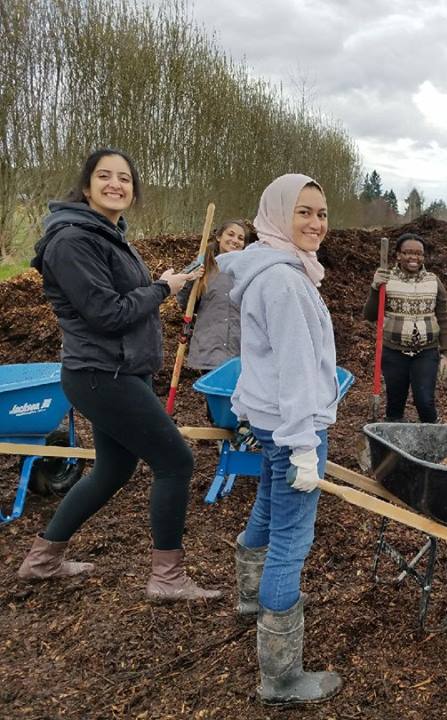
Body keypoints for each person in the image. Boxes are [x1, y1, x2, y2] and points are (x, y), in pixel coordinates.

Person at [17, 148, 220, 602]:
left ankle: (42, 559)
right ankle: (167, 578)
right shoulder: (73, 240)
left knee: (113, 468)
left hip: (119, 369)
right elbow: (106, 313)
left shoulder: (106, 235)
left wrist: (161, 285)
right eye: (104, 176)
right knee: (175, 462)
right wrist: (161, 289)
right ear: (86, 187)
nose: (116, 184)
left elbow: (121, 299)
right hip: (100, 373)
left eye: (124, 178)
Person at [217, 173, 342, 705]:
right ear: (278, 214)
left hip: (271, 421)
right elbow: (292, 369)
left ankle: (253, 597)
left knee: (269, 505)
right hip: (295, 426)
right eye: (304, 213)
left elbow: (259, 360)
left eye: (321, 214)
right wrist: (304, 445)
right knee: (292, 537)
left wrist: (252, 414)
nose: (316, 224)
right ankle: (281, 675)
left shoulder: (272, 269)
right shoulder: (285, 281)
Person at [362, 232, 447, 423]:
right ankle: (394, 446)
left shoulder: (433, 281)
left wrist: (446, 354)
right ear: (398, 255)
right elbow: (370, 315)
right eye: (408, 252)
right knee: (395, 404)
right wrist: (374, 287)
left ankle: (432, 440)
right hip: (394, 352)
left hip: (426, 352)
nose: (414, 257)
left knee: (425, 401)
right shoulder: (386, 280)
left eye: (419, 254)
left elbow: (443, 318)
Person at [176, 219, 247, 371]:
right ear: (219, 237)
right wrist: (191, 277)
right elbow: (184, 301)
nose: (235, 240)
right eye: (231, 234)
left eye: (241, 238)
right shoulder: (204, 268)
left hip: (240, 348)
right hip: (210, 347)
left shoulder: (248, 272)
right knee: (213, 393)